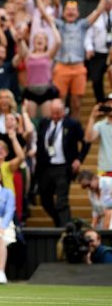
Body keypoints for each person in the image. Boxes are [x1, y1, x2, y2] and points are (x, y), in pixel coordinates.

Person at [36, 99, 89, 227]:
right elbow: (39, 142)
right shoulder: (44, 123)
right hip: (46, 166)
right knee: (44, 199)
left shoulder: (72, 124)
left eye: (58, 113)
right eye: (53, 113)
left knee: (61, 201)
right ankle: (59, 222)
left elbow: (86, 142)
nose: (55, 116)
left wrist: (79, 159)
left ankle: (65, 229)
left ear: (63, 111)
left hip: (64, 166)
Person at [85, 94, 112, 187]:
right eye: (108, 103)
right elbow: (88, 139)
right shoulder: (100, 125)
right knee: (106, 201)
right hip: (105, 171)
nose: (109, 105)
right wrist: (92, 117)